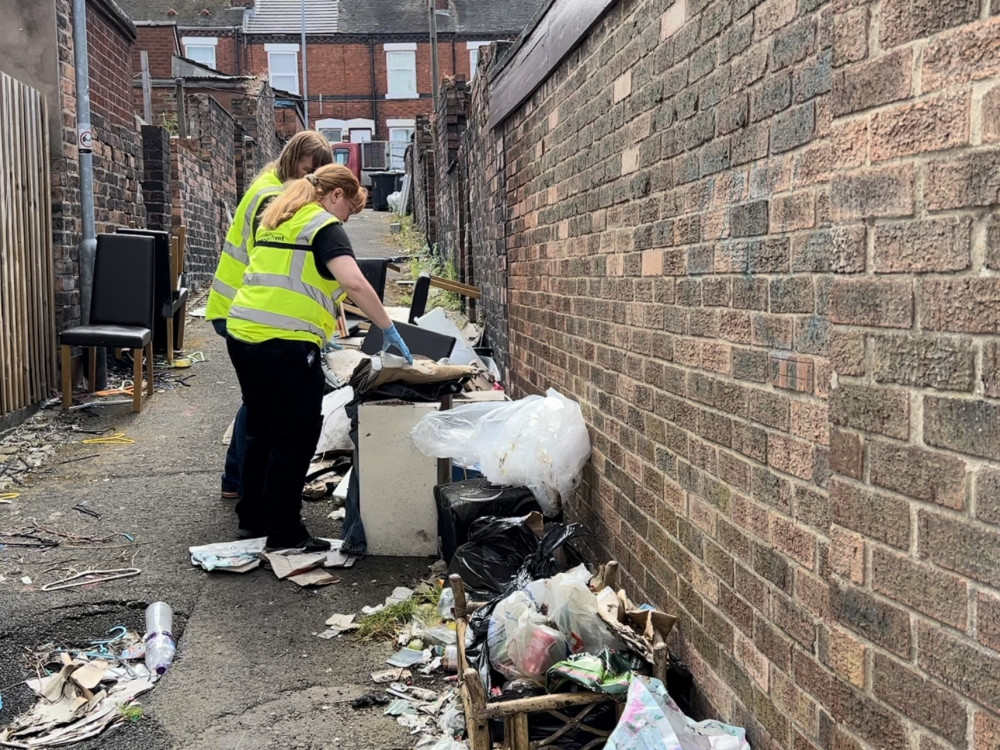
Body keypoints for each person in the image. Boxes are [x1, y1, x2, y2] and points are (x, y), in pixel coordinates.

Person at [225, 163, 413, 551]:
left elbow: (299, 280)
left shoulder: (279, 218)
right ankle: (285, 533)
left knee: (260, 429)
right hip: (285, 344)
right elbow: (353, 281)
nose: (348, 219)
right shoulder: (324, 226)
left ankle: (253, 519)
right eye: (350, 209)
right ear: (336, 195)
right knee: (293, 436)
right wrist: (387, 328)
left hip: (244, 335)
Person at [205, 131, 334, 501]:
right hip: (246, 308)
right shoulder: (272, 197)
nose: (306, 181)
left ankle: (237, 482)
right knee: (260, 407)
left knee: (256, 402)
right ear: (291, 158)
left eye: (314, 176)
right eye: (305, 170)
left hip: (239, 304)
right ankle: (242, 483)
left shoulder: (270, 182)